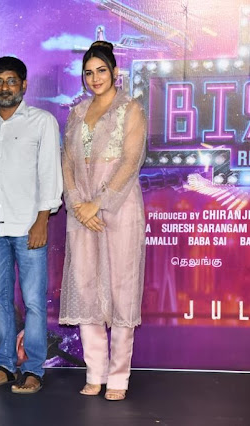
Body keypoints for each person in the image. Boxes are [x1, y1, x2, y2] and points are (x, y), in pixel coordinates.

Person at [0, 56, 63, 394]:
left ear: (23, 84)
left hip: (29, 227)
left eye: (11, 80)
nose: (4, 87)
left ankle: (33, 368)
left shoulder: (42, 122)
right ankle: (5, 364)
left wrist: (42, 220)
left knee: (33, 302)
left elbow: (50, 174)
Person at [59, 41, 146, 401]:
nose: (95, 78)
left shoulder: (130, 109)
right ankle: (95, 372)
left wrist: (98, 204)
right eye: (88, 73)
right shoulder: (77, 113)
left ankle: (119, 377)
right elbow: (67, 163)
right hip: (82, 212)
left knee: (122, 289)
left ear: (114, 73)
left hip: (119, 209)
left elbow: (131, 161)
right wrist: (78, 204)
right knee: (86, 288)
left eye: (101, 71)